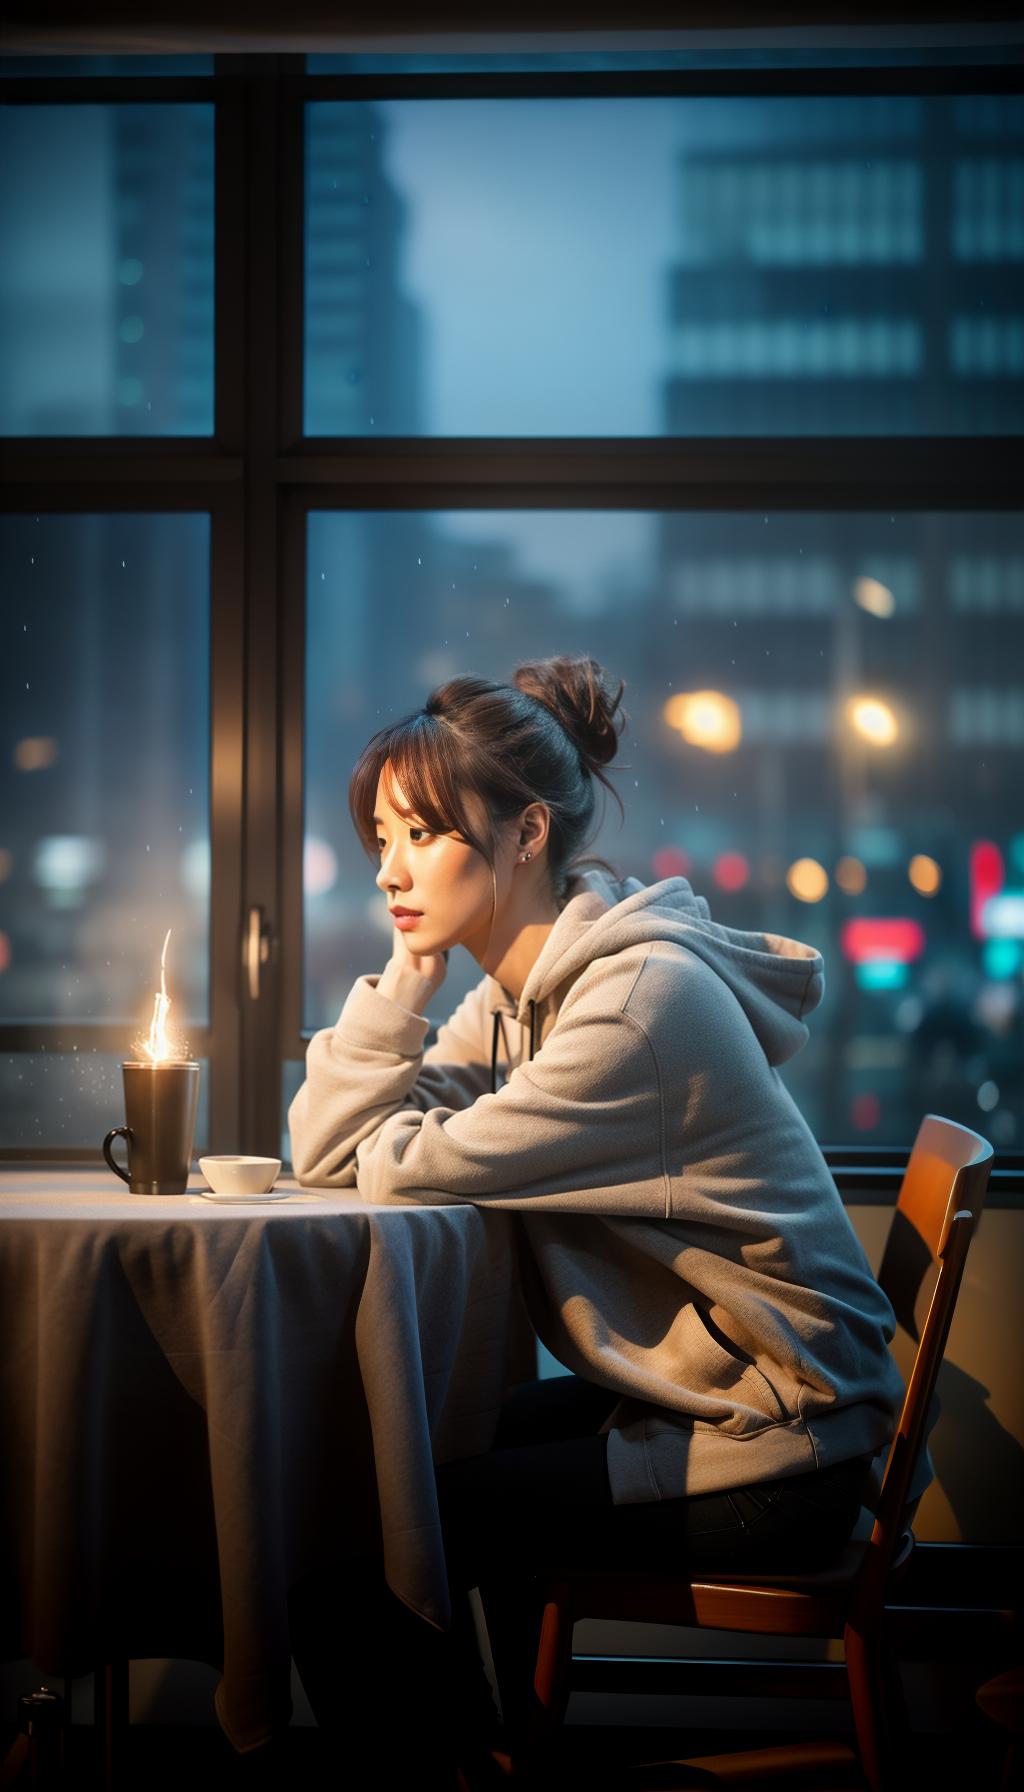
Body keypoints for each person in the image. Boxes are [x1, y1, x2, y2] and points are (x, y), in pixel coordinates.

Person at [287, 654, 906, 1788]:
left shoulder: (627, 1008)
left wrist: (394, 1116)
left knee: (351, 1558)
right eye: (380, 837)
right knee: (412, 1467)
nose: (389, 871)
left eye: (421, 834)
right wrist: (405, 979)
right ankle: (484, 1754)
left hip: (779, 1447)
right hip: (716, 1398)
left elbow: (391, 1166)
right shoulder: (533, 984)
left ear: (525, 835)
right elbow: (333, 1151)